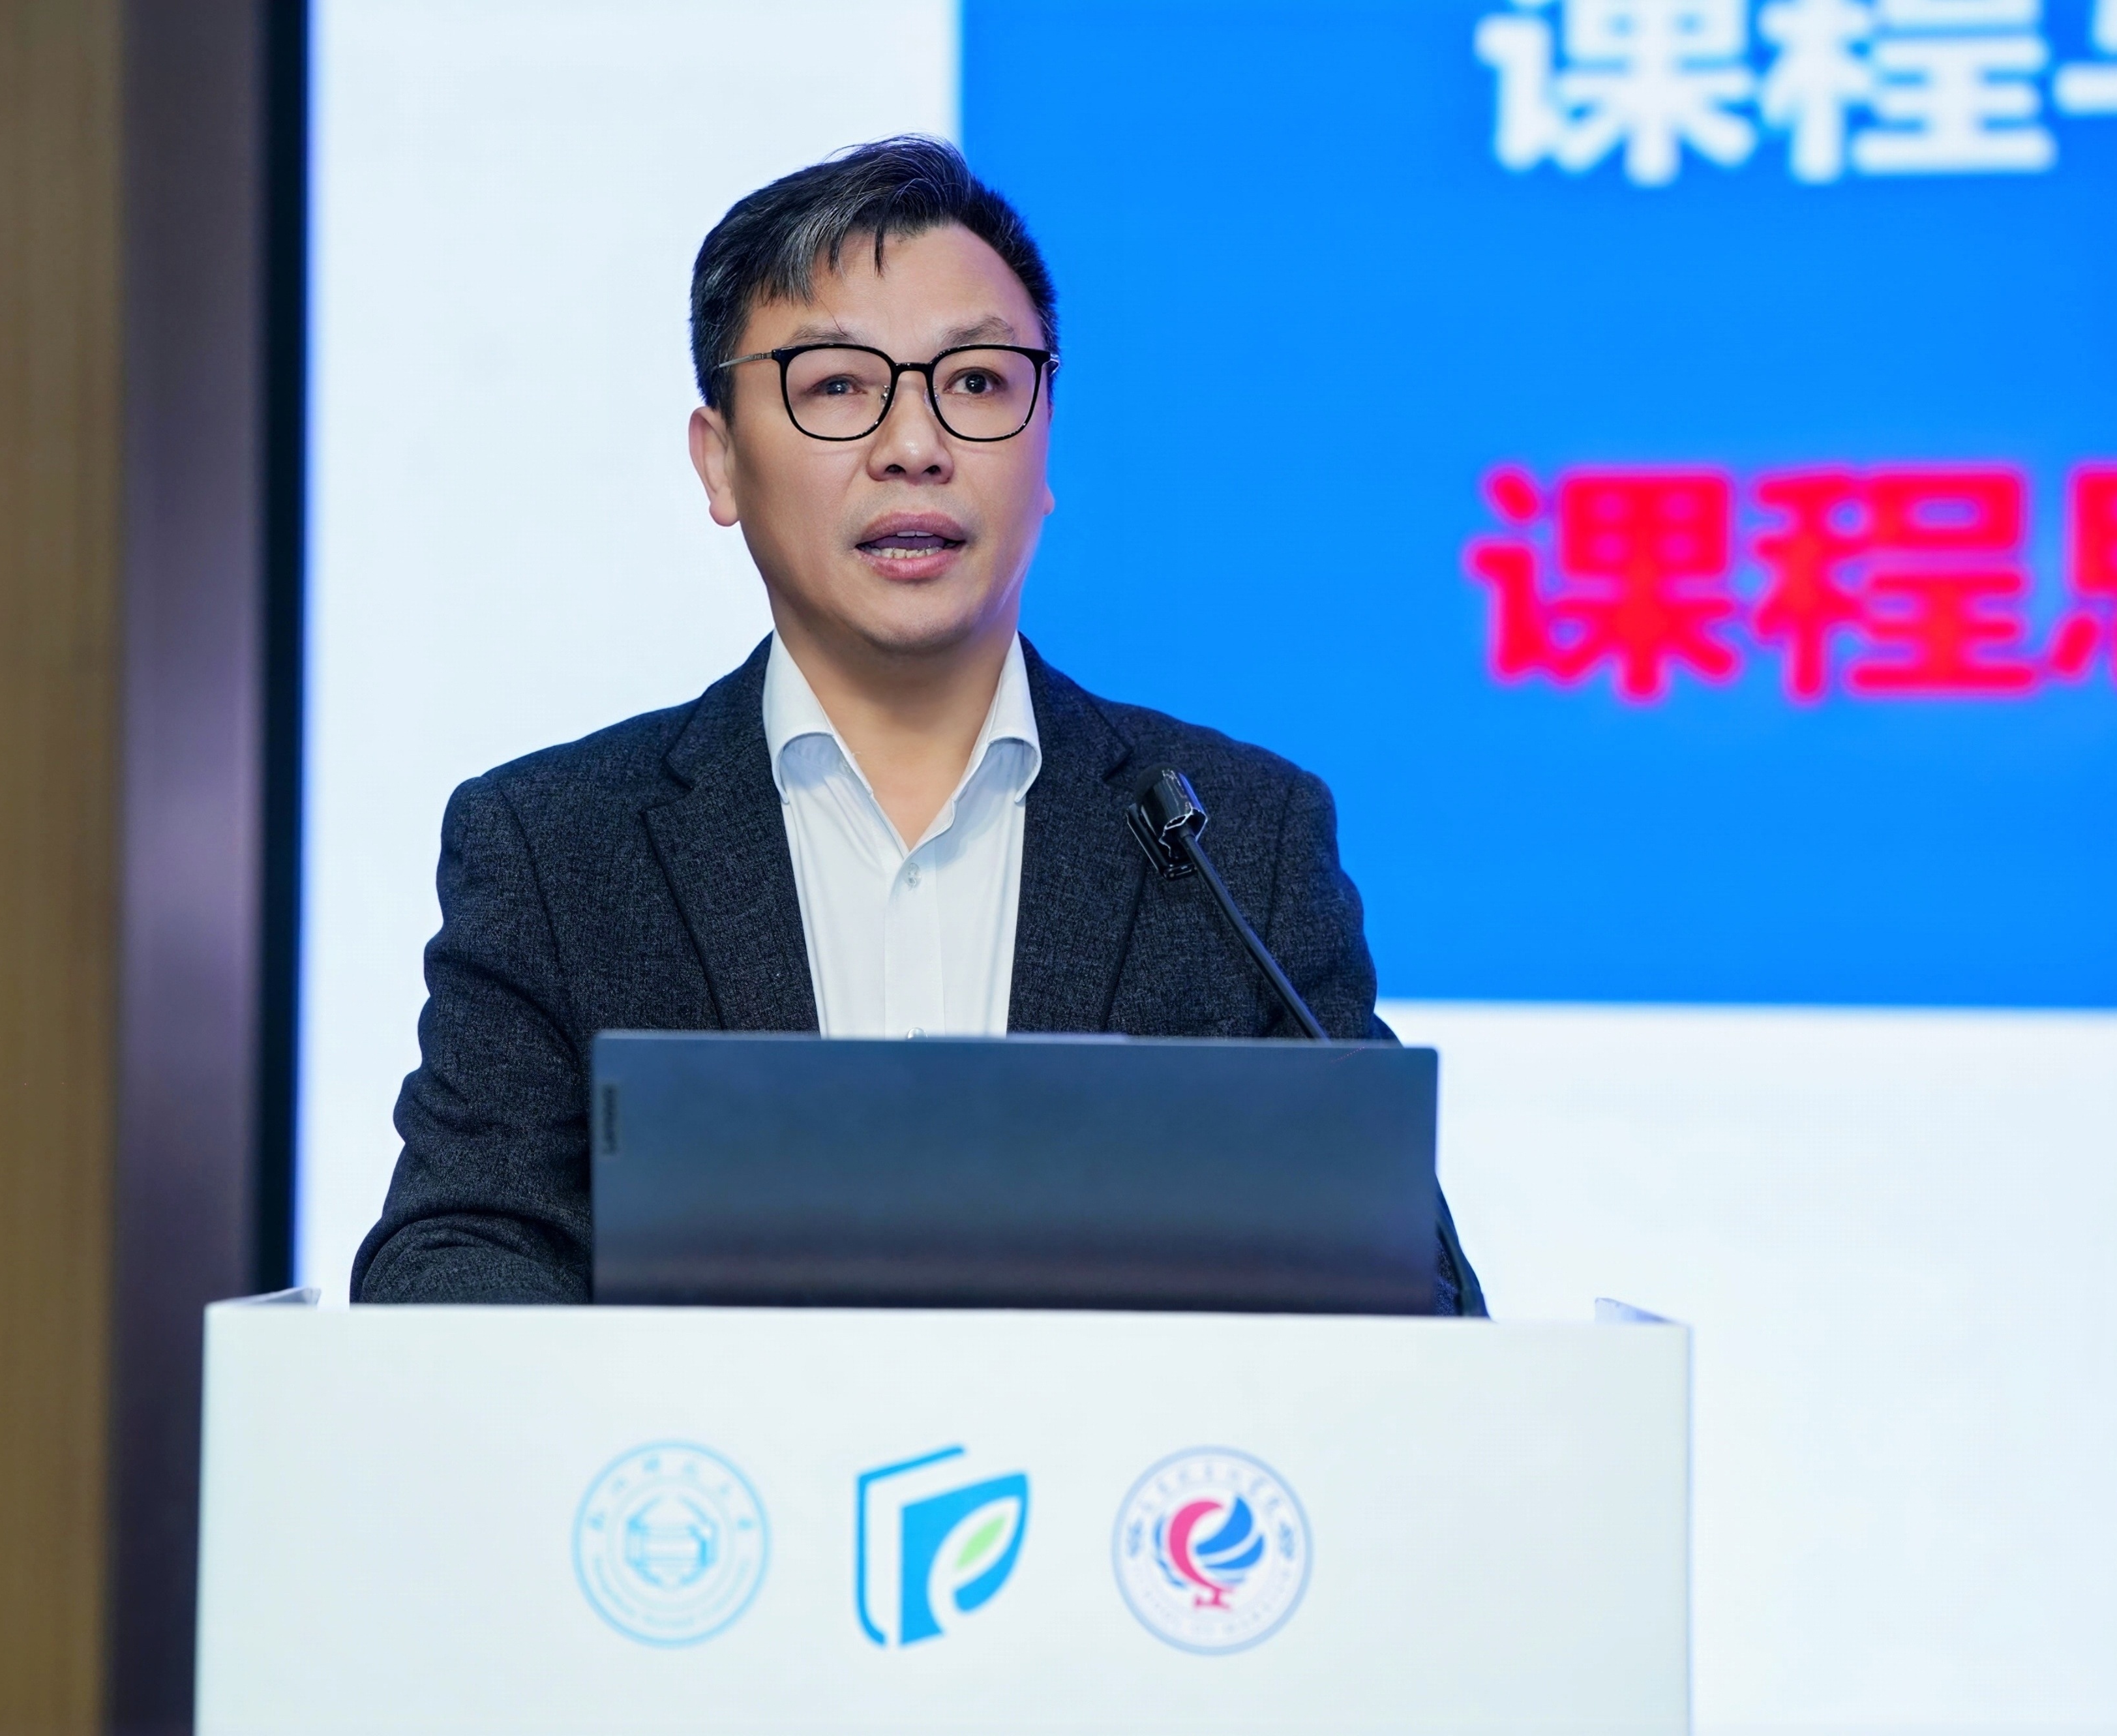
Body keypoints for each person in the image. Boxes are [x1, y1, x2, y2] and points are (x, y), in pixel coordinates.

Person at [352, 136, 1484, 1313]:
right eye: (838, 385)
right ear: (719, 461)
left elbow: (1412, 1287)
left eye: (977, 383)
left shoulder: (1234, 839)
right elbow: (452, 1258)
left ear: (1046, 444)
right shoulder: (556, 849)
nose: (914, 446)